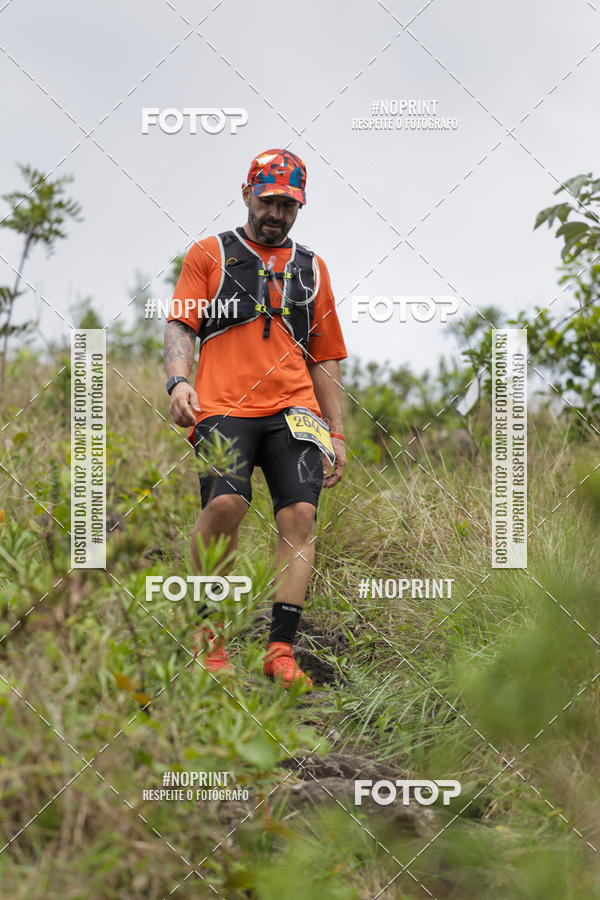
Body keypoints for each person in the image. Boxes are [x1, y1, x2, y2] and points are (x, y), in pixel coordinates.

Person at [164, 149, 347, 690]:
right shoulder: (209, 254)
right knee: (226, 502)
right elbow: (180, 326)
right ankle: (206, 637)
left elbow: (327, 356)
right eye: (269, 200)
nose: (278, 213)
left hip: (296, 411)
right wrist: (179, 381)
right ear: (247, 193)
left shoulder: (312, 269)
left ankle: (280, 650)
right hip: (221, 406)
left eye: (289, 205)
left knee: (299, 521)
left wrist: (336, 432)